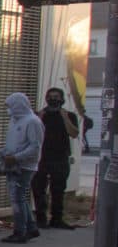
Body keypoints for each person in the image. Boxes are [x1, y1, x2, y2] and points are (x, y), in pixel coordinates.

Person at [0, 93, 44, 244]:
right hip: (12, 164)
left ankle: (20, 231)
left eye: (10, 106)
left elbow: (35, 147)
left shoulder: (32, 122)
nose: (8, 110)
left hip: (24, 166)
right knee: (19, 198)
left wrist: (16, 157)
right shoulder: (15, 120)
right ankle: (30, 227)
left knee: (17, 198)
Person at [34, 89, 80, 230]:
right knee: (38, 189)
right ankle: (41, 218)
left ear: (61, 99)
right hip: (42, 157)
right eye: (50, 97)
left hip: (60, 157)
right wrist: (39, 118)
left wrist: (64, 117)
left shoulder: (69, 115)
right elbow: (34, 134)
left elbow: (73, 133)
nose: (53, 99)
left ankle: (57, 218)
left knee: (58, 189)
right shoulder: (40, 115)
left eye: (56, 97)